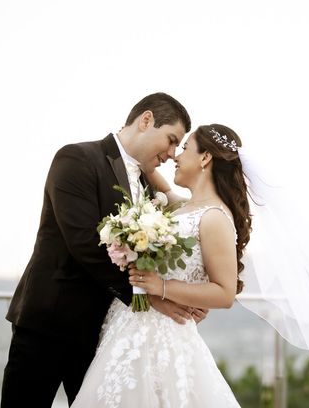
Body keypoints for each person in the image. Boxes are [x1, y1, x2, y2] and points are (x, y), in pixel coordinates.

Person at [1, 93, 202, 408]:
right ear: (146, 120)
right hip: (49, 323)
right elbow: (83, 242)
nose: (172, 153)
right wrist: (151, 297)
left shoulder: (150, 188)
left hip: (105, 332)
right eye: (171, 140)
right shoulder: (77, 158)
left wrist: (186, 294)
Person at [71, 123, 249, 407]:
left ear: (205, 158)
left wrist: (161, 286)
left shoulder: (214, 217)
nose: (175, 156)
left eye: (185, 147)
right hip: (127, 327)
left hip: (165, 335)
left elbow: (225, 293)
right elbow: (147, 168)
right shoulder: (180, 206)